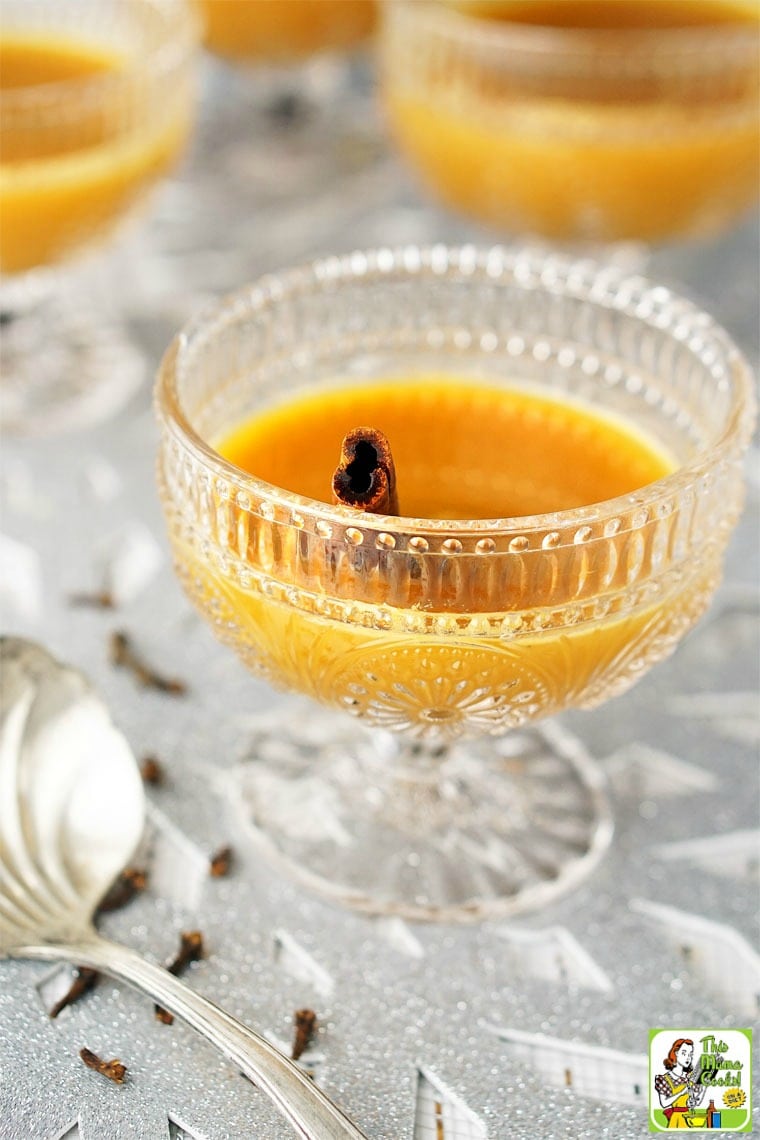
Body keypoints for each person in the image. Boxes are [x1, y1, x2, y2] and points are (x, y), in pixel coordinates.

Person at [654, 1039, 705, 1128]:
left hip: (688, 1119)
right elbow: (664, 1103)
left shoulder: (689, 1078)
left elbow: (696, 1101)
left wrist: (704, 1086)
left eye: (690, 1055)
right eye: (684, 1053)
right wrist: (681, 1093)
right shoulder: (664, 1079)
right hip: (675, 1119)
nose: (688, 1058)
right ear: (676, 1053)